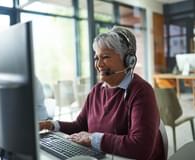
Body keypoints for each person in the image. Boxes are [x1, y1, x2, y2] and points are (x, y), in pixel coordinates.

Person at [40, 26, 165, 160]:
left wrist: (93, 139)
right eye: (96, 58)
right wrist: (50, 125)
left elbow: (141, 148)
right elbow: (80, 125)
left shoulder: (141, 91)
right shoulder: (96, 90)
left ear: (128, 60)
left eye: (105, 57)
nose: (98, 64)